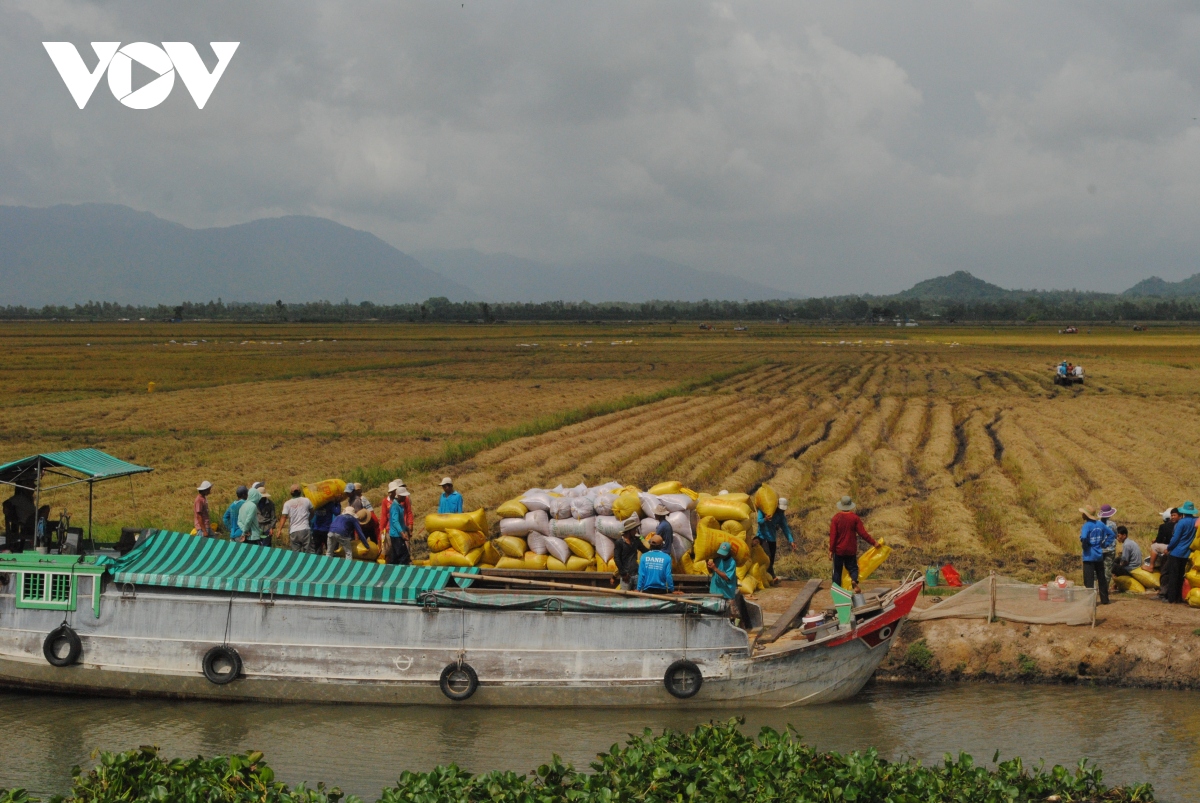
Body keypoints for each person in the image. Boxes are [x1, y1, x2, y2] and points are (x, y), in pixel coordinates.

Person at [829, 496, 877, 592]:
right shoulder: (855, 518)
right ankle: (854, 581)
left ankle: (837, 591)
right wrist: (874, 543)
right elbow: (863, 533)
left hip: (839, 550)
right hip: (851, 549)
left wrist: (831, 550)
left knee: (837, 571)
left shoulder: (836, 518)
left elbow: (833, 536)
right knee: (853, 569)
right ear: (850, 506)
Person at [1163, 501, 1197, 603]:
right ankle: (1179, 598)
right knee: (1181, 576)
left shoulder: (1181, 522)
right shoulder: (1195, 521)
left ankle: (1171, 599)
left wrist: (1168, 548)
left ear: (1183, 512)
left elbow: (1175, 538)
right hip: (1186, 553)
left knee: (1173, 576)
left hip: (1176, 552)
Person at [756, 496, 795, 576]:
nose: (781, 511)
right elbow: (759, 521)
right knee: (767, 557)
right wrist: (765, 519)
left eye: (783, 510)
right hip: (762, 537)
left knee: (772, 559)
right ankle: (772, 576)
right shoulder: (764, 510)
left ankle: (767, 577)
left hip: (772, 539)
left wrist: (791, 541)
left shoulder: (781, 516)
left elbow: (785, 528)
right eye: (780, 509)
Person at [1079, 506, 1110, 605]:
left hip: (1088, 556)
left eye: (1083, 513)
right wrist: (1104, 544)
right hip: (1099, 555)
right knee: (1101, 578)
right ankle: (1105, 600)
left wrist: (1085, 546)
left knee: (1089, 579)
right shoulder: (1100, 524)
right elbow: (1111, 534)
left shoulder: (1087, 525)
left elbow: (1084, 537)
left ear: (1086, 515)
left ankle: (1090, 601)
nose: (1082, 515)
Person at [612, 517, 648, 590]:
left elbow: (644, 550)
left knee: (638, 597)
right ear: (629, 531)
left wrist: (655, 550)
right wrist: (623, 573)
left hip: (636, 574)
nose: (635, 531)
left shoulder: (636, 541)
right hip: (626, 575)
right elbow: (617, 559)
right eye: (634, 530)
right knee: (625, 598)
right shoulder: (620, 542)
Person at [279, 485, 314, 553]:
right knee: (309, 552)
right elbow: (312, 512)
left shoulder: (287, 503)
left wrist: (279, 530)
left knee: (295, 554)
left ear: (291, 493)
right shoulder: (306, 500)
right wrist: (308, 519)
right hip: (305, 529)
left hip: (294, 531)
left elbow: (284, 517)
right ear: (300, 492)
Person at [386, 487, 413, 564]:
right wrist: (402, 533)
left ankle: (391, 571)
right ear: (399, 496)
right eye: (403, 496)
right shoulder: (395, 506)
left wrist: (406, 529)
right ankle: (402, 572)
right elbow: (395, 521)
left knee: (395, 557)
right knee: (404, 555)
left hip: (397, 534)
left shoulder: (399, 506)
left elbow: (401, 522)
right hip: (396, 535)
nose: (405, 498)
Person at [1149, 508, 1174, 573]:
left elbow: (1159, 540)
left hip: (1169, 547)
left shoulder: (1163, 526)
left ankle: (1151, 566)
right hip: (1174, 547)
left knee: (1154, 546)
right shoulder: (1178, 525)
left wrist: (1155, 540)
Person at [1098, 504, 1118, 583]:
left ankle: (1097, 586)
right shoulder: (1113, 524)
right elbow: (1115, 535)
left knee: (1099, 568)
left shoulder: (1097, 523)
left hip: (1099, 549)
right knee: (1108, 569)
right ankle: (1105, 588)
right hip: (1110, 549)